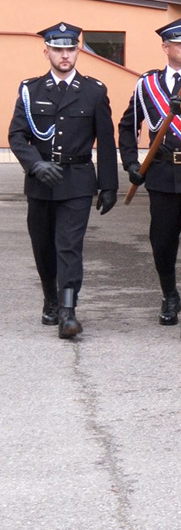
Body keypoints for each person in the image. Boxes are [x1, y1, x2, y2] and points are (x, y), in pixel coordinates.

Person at [8, 23, 118, 338]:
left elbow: (106, 141)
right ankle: (51, 299)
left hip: (78, 181)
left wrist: (108, 185)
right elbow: (17, 135)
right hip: (42, 182)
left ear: (78, 51)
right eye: (58, 49)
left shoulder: (95, 90)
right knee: (43, 246)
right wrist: (35, 165)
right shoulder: (30, 90)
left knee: (68, 245)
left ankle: (69, 312)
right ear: (47, 53)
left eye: (70, 49)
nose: (65, 55)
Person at [118, 17, 181, 340]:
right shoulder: (147, 86)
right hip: (160, 174)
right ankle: (169, 293)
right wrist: (130, 162)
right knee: (162, 240)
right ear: (165, 47)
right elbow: (128, 125)